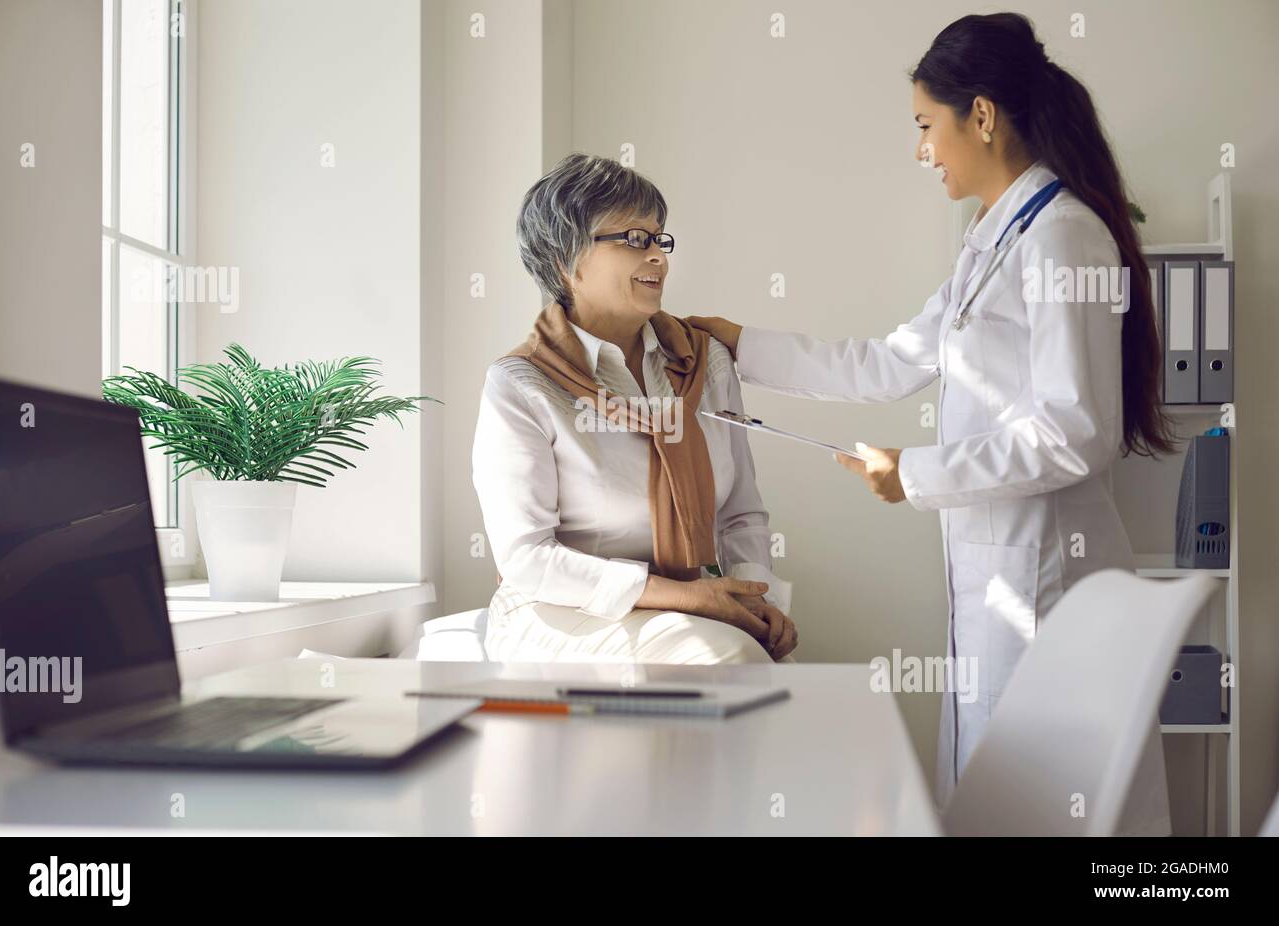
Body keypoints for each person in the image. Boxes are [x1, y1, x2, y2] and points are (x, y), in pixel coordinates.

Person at [690, 13, 1176, 832]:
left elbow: (1076, 429)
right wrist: (739, 343)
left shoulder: (1061, 237)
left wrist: (914, 475)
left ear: (980, 116)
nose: (922, 151)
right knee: (996, 785)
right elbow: (886, 362)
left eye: (926, 126)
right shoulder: (992, 240)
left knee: (1043, 797)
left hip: (1043, 572)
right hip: (996, 571)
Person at [472, 153, 797, 665]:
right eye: (632, 239)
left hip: (685, 605)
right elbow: (527, 560)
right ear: (566, 260)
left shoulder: (703, 362)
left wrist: (758, 598)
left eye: (659, 238)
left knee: (773, 665)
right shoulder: (521, 383)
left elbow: (740, 513)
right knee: (726, 659)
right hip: (562, 609)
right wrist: (689, 597)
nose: (658, 257)